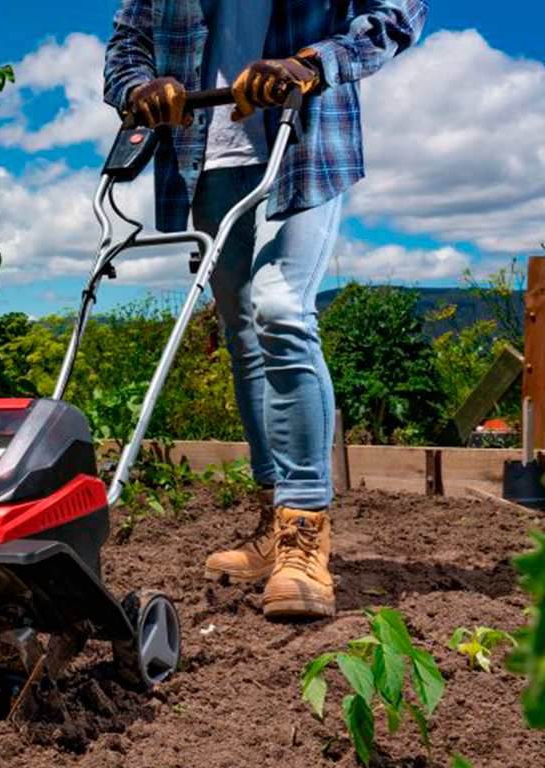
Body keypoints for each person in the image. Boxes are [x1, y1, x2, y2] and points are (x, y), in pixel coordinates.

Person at [104, 0, 427, 619]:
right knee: (243, 335)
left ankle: (305, 535)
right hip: (203, 157)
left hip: (302, 142)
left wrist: (311, 62)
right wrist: (140, 86)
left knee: (280, 309)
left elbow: (397, 11)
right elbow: (127, 41)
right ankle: (272, 520)